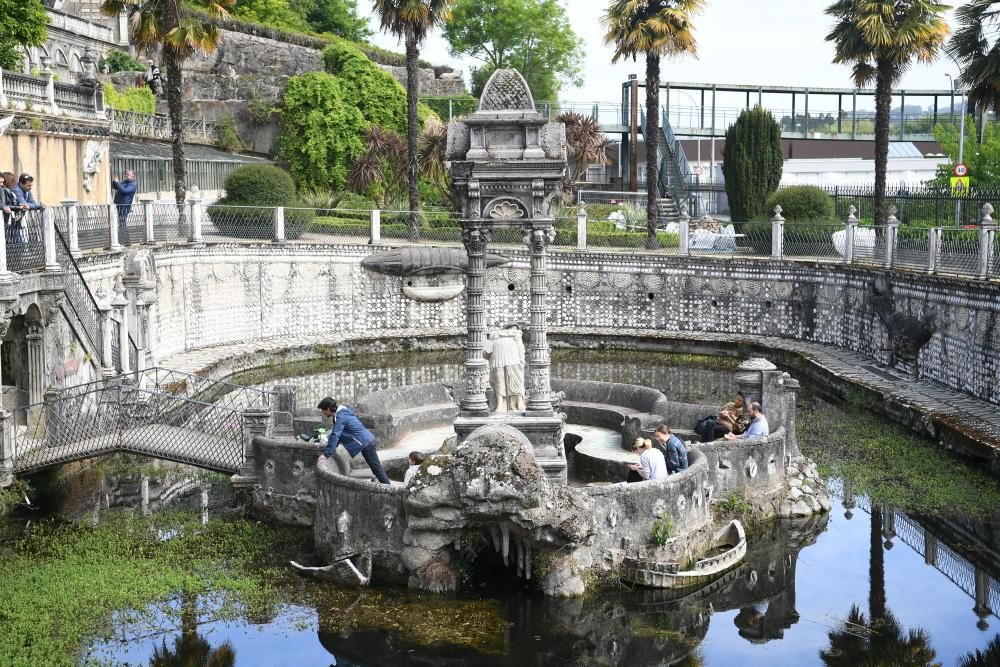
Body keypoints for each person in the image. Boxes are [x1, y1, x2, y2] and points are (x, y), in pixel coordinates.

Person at [317, 397, 390, 484]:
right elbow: (338, 435)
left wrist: (325, 455)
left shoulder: (341, 417)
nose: (322, 413)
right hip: (366, 441)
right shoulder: (340, 415)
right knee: (375, 467)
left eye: (322, 410)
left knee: (377, 469)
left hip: (366, 442)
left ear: (328, 409)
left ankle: (389, 491)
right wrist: (330, 449)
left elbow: (335, 435)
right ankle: (385, 486)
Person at [112, 170, 138, 244]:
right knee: (121, 222)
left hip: (125, 205)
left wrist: (118, 183)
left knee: (122, 221)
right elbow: (116, 187)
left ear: (133, 176)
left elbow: (125, 191)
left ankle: (124, 240)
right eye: (126, 175)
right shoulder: (125, 182)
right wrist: (115, 182)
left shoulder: (133, 184)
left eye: (128, 175)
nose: (126, 176)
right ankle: (124, 240)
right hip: (119, 204)